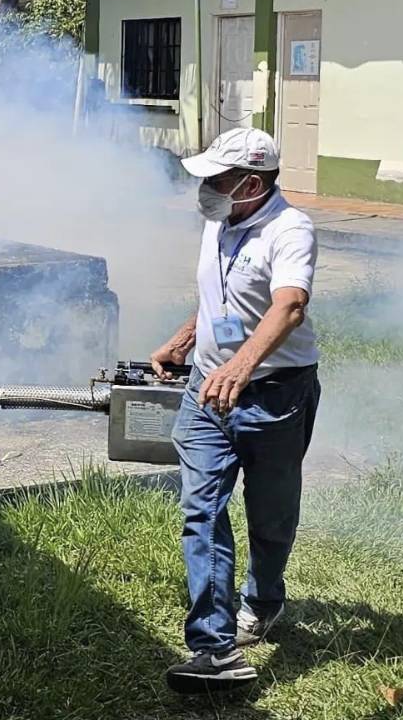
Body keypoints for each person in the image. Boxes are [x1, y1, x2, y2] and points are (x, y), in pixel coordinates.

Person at [151, 127, 321, 690]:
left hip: (274, 393)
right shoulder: (217, 222)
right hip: (207, 389)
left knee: (270, 515)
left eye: (217, 179)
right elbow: (218, 297)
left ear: (252, 182)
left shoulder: (290, 228)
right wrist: (184, 339)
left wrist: (240, 367)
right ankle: (214, 645)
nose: (205, 188)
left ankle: (265, 598)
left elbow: (289, 306)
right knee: (201, 508)